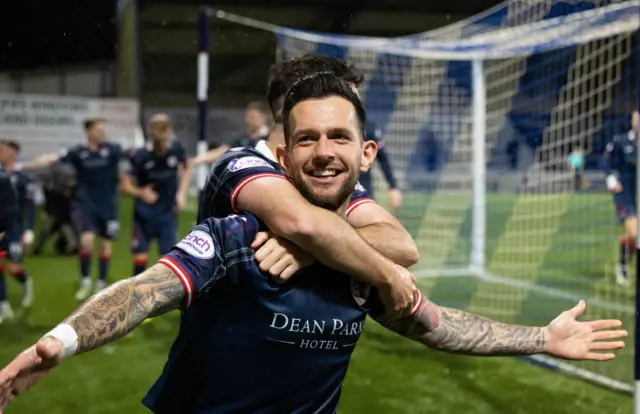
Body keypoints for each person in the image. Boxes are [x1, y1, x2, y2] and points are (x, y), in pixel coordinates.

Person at [0, 73, 627, 413]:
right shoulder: (238, 234)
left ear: (366, 153)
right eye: (306, 140)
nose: (324, 152)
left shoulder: (371, 263)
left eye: (338, 138)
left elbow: (439, 325)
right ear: (280, 155)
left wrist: (543, 338)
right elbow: (144, 292)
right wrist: (61, 341)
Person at [197, 53, 419, 317]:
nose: (355, 111)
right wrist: (388, 275)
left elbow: (403, 245)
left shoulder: (325, 178)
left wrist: (307, 250)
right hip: (227, 350)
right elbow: (304, 225)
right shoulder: (242, 165)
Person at [22, 118, 124, 299]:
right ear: (89, 131)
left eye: (104, 130)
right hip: (85, 204)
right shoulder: (78, 152)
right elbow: (52, 158)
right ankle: (85, 281)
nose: (103, 133)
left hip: (108, 205)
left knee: (104, 245)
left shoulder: (113, 150)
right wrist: (23, 165)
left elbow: (136, 157)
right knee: (85, 242)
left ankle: (101, 283)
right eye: (99, 130)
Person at [121, 114, 191, 276]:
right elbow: (124, 185)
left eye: (166, 129)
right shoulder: (139, 155)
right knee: (140, 256)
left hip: (167, 213)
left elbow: (187, 168)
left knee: (166, 259)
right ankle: (138, 292)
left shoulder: (177, 149)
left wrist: (181, 193)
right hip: (143, 214)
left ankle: (162, 297)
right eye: (160, 130)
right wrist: (140, 192)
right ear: (151, 132)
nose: (164, 134)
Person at [0, 140, 35, 322]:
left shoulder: (23, 178)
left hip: (14, 228)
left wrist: (29, 229)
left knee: (12, 267)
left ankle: (26, 282)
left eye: (3, 149)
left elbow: (30, 206)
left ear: (13, 152)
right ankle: (3, 306)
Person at [603, 109, 639, 286]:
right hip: (624, 195)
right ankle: (622, 267)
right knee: (635, 233)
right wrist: (610, 178)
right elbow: (606, 161)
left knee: (633, 237)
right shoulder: (621, 141)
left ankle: (623, 265)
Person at [32, 162, 78, 256]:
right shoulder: (56, 190)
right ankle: (38, 248)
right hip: (57, 214)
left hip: (63, 215)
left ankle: (71, 246)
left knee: (64, 229)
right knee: (49, 231)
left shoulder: (68, 190)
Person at [358, 121, 402, 209]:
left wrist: (393, 186)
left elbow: (383, 159)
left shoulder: (369, 128)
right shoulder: (335, 126)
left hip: (363, 191)